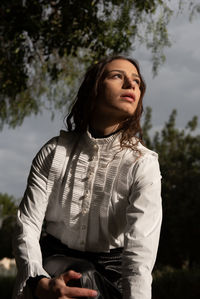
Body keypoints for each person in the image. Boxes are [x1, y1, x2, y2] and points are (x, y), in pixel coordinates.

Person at [12, 55, 162, 299]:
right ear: (94, 89)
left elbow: (140, 255)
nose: (131, 84)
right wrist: (37, 281)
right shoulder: (54, 152)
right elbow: (27, 225)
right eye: (117, 76)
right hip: (52, 267)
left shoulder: (143, 163)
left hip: (113, 275)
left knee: (88, 277)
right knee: (81, 273)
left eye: (137, 81)